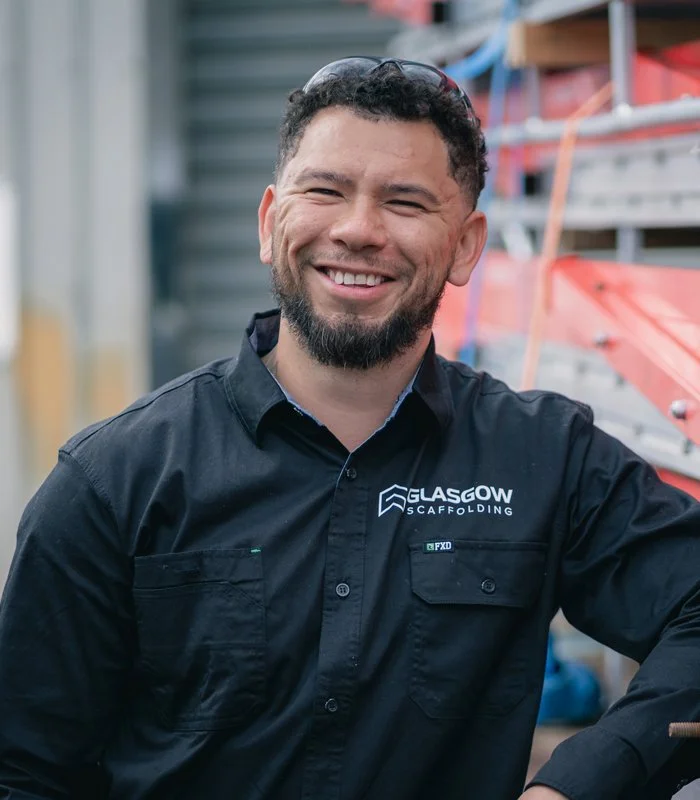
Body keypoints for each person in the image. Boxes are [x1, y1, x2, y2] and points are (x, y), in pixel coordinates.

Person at [0, 56, 699, 800]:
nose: (359, 230)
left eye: (404, 202)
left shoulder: (543, 458)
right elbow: (25, 771)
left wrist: (583, 784)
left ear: (465, 245)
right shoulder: (116, 480)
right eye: (325, 190)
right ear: (272, 222)